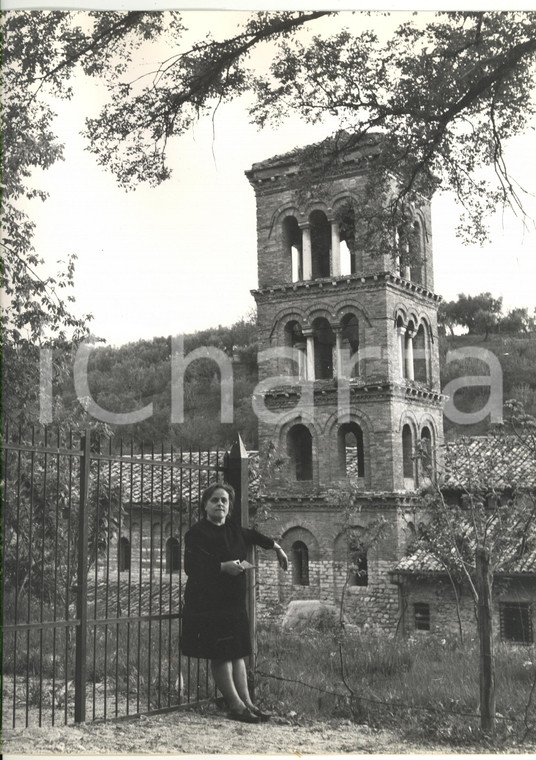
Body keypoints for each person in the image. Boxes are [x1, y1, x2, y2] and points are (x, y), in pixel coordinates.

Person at [180, 482, 288, 723]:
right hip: (209, 604)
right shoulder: (197, 533)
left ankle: (248, 702)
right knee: (221, 654)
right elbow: (191, 568)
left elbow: (254, 536)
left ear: (229, 507)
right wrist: (221, 567)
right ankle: (235, 705)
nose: (220, 504)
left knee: (237, 652)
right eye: (215, 500)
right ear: (205, 505)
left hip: (233, 602)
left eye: (224, 501)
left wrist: (278, 548)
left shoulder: (233, 530)